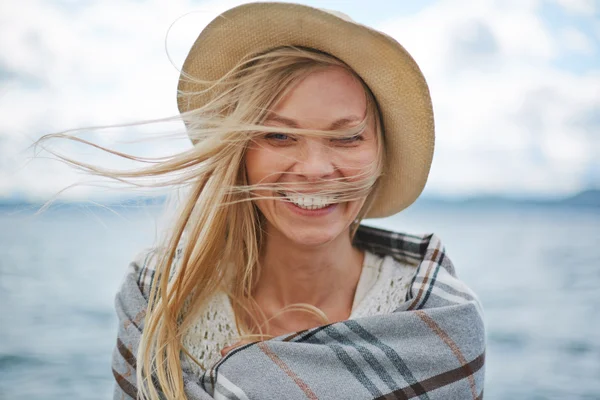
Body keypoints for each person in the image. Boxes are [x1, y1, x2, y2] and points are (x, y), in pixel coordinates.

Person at [43, 2, 485, 399]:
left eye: (347, 137)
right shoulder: (156, 299)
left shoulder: (436, 321)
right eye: (278, 135)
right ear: (240, 152)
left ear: (380, 154)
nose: (314, 169)